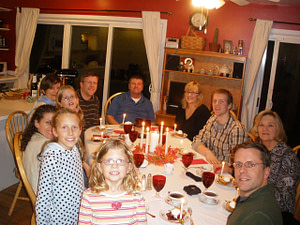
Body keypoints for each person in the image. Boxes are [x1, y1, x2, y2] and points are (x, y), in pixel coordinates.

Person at [78, 140, 147, 224]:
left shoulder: (136, 197)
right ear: (100, 167)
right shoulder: (88, 197)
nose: (114, 166)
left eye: (120, 161)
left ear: (129, 167)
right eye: (109, 161)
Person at [250, 110, 300, 223]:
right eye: (261, 125)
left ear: (278, 129)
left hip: (277, 213)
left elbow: (284, 200)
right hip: (255, 201)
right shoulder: (258, 149)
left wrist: (254, 191)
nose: (265, 129)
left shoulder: (287, 156)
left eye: (270, 125)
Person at [35, 108, 84, 224]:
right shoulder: (51, 159)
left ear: (80, 130)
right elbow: (43, 199)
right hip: (59, 219)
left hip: (77, 213)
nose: (70, 132)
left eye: (74, 127)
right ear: (55, 131)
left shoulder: (75, 150)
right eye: (64, 127)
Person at [192, 89, 248, 171]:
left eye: (221, 101)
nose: (216, 105)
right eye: (214, 101)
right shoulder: (213, 119)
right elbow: (196, 141)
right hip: (209, 166)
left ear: (229, 105)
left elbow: (239, 164)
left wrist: (225, 169)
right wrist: (208, 152)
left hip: (224, 173)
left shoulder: (237, 129)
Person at [227, 142, 282, 225]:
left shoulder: (257, 216)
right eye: (238, 164)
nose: (242, 170)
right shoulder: (255, 197)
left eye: (250, 165)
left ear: (266, 172)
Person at [57, 85, 90, 188]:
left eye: (72, 96)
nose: (70, 100)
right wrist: (85, 166)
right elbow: (69, 149)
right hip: (69, 166)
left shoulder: (77, 115)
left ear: (77, 100)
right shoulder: (62, 121)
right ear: (60, 103)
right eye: (66, 98)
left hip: (78, 159)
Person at [21, 104, 56, 194]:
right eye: (48, 122)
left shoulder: (35, 138)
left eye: (55, 122)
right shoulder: (45, 146)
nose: (52, 127)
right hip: (46, 197)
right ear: (36, 123)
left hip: (39, 192)